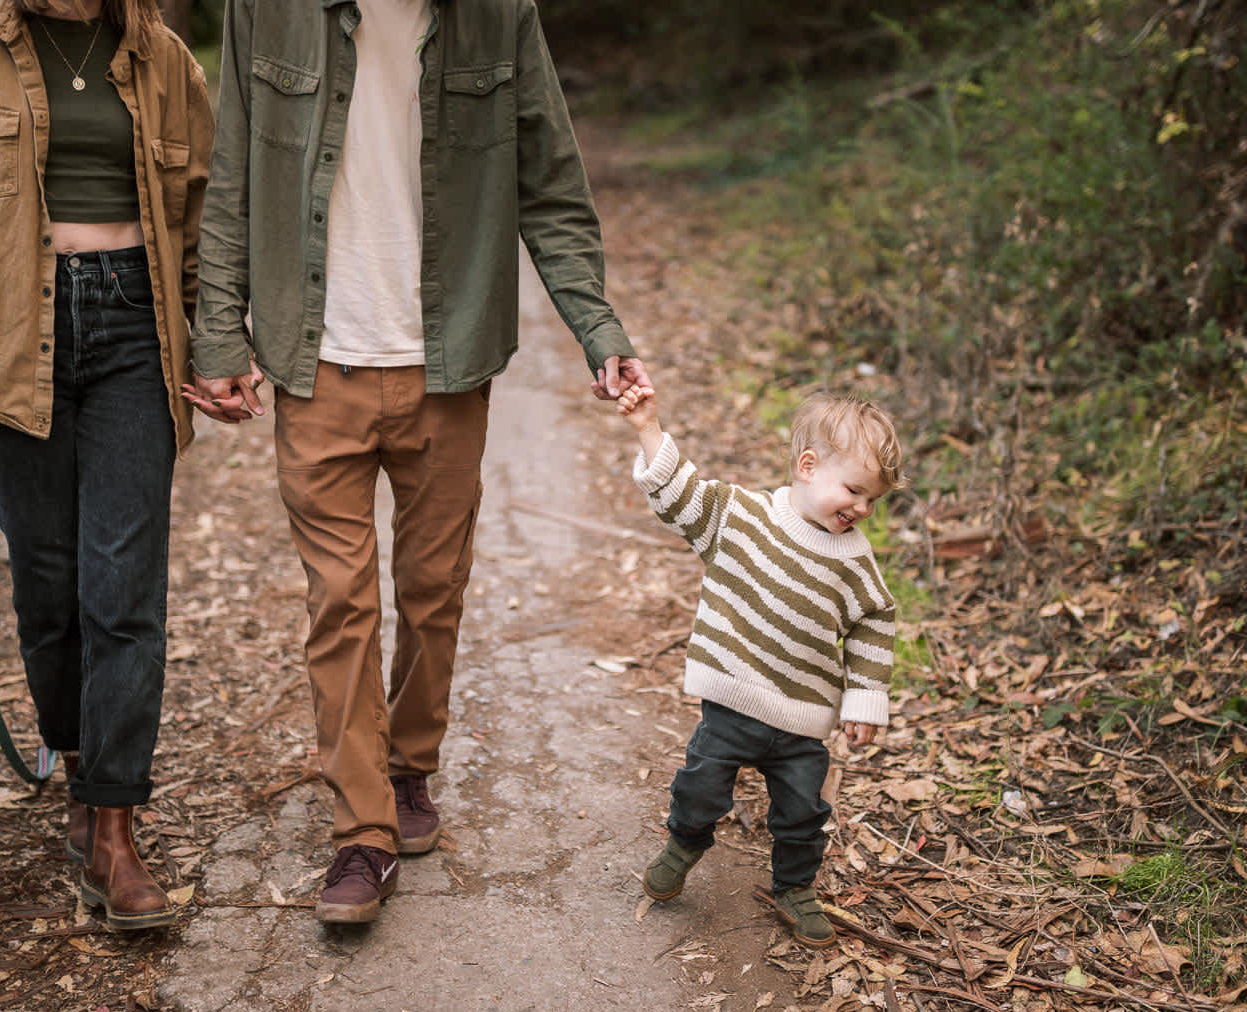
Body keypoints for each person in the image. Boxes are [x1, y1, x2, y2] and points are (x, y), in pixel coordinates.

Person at [186, 0, 651, 924]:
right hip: (315, 359)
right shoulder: (267, 11)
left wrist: (597, 328)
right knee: (340, 601)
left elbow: (551, 186)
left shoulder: (498, 15)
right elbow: (231, 174)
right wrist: (219, 335)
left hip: (447, 359)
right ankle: (362, 832)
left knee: (433, 589)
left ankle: (408, 765)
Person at [0, 0, 213, 929]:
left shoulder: (164, 56)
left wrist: (217, 345)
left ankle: (114, 830)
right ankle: (74, 764)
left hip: (136, 331)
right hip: (5, 338)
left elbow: (202, 219)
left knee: (124, 591)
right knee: (49, 589)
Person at [613, 386, 906, 948]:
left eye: (873, 500)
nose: (863, 509)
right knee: (701, 785)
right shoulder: (742, 517)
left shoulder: (855, 560)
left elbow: (875, 620)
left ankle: (794, 887)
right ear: (808, 466)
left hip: (802, 720)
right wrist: (648, 428)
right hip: (733, 700)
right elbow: (680, 496)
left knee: (803, 811)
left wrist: (865, 700)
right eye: (854, 490)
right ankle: (685, 842)